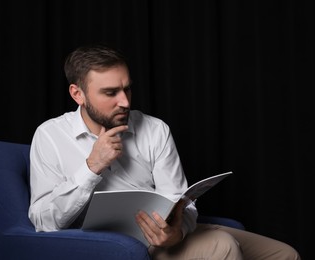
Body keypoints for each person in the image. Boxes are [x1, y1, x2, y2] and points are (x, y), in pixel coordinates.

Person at [28, 43, 301, 259]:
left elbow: (181, 199)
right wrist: (91, 167)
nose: (124, 101)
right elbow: (43, 222)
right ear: (78, 94)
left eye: (127, 89)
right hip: (113, 247)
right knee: (223, 246)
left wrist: (178, 232)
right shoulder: (50, 135)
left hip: (164, 237)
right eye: (110, 93)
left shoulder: (155, 129)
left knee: (285, 254)